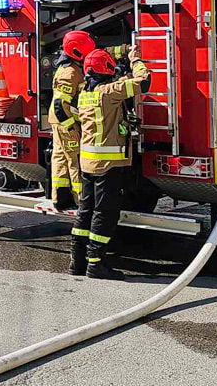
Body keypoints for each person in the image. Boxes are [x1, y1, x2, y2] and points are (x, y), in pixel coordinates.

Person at [69, 44, 150, 279]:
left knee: (85, 211)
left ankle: (77, 262)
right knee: (104, 213)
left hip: (87, 163)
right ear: (106, 69)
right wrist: (135, 59)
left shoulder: (85, 93)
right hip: (109, 165)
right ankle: (96, 265)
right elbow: (143, 81)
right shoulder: (110, 92)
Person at [48, 31, 129, 211]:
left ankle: (60, 197)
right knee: (75, 159)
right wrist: (71, 128)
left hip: (61, 121)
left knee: (60, 157)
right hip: (65, 122)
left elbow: (99, 53)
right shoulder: (69, 73)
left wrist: (124, 50)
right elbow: (60, 106)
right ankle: (81, 202)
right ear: (77, 52)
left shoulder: (73, 64)